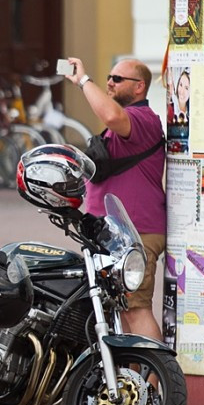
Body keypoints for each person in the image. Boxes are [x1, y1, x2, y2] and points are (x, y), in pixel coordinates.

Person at [65, 56, 166, 343]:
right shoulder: (127, 122)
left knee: (136, 310)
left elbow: (111, 116)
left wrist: (84, 81)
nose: (110, 82)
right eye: (109, 77)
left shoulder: (143, 119)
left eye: (117, 79)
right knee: (121, 312)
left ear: (139, 87)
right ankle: (132, 370)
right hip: (116, 233)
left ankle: (156, 371)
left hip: (135, 232)